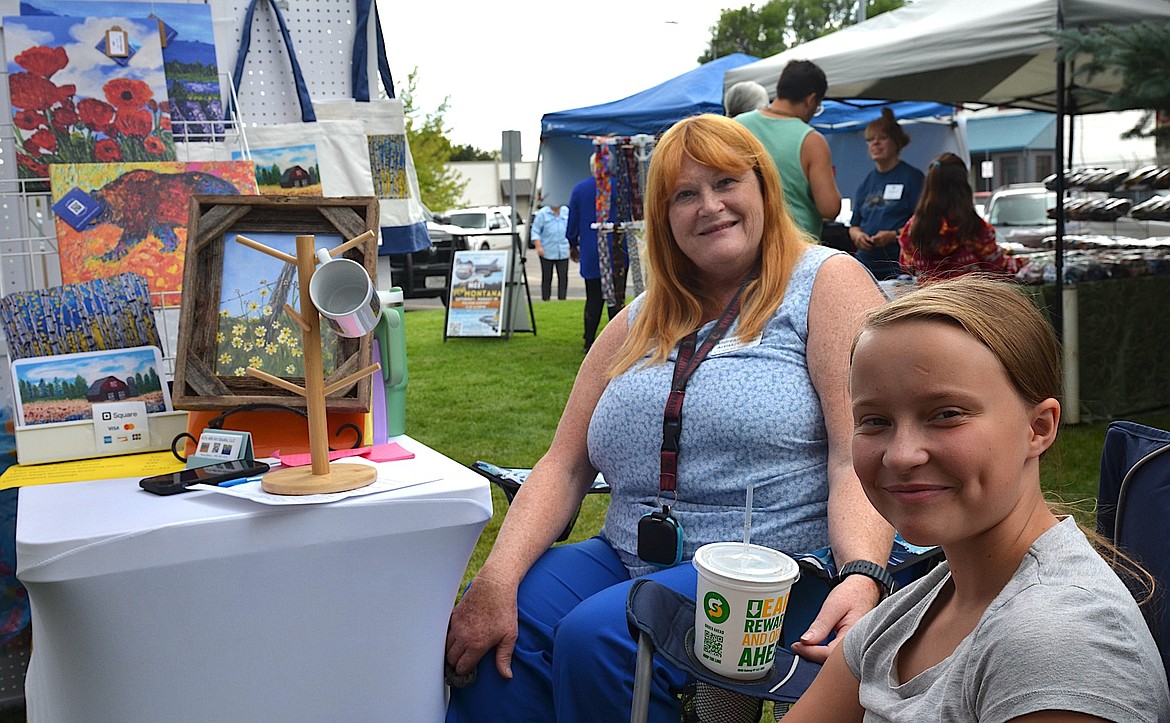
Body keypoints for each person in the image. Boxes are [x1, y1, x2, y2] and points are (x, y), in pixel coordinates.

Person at [444, 114, 893, 723]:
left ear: (763, 187)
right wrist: (496, 577)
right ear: (663, 219)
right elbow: (563, 465)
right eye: (685, 194)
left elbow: (859, 451)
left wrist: (863, 573)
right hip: (628, 550)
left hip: (765, 569)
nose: (709, 206)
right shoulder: (636, 320)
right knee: (500, 622)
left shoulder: (824, 282)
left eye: (726, 182)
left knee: (600, 640)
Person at [783, 276, 1170, 721]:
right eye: (874, 421)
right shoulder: (918, 608)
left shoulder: (1060, 643)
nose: (902, 454)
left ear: (1038, 428)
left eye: (946, 414)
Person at [736, 59, 841, 240]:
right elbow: (829, 208)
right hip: (795, 246)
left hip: (746, 240)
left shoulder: (736, 126)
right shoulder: (812, 141)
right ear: (810, 100)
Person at [898, 153, 1024, 281]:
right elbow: (998, 267)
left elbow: (907, 266)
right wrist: (1022, 262)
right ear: (964, 187)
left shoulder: (913, 228)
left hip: (931, 299)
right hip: (969, 299)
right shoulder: (974, 228)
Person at [848, 108, 924, 280]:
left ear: (896, 142)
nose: (875, 143)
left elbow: (923, 222)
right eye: (870, 139)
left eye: (882, 138)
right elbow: (854, 226)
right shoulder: (866, 182)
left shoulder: (912, 178)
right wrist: (858, 236)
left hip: (899, 265)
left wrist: (895, 235)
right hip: (866, 264)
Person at [567, 166, 623, 353]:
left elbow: (573, 220)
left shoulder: (580, 189)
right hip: (617, 250)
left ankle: (589, 340)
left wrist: (573, 242)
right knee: (616, 297)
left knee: (593, 297)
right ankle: (618, 342)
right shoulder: (619, 186)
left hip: (592, 251)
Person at [531, 201, 571, 301]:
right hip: (547, 251)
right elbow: (535, 232)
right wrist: (538, 247)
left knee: (563, 277)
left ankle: (562, 299)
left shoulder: (566, 211)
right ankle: (546, 299)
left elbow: (571, 228)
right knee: (547, 277)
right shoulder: (542, 214)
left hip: (563, 250)